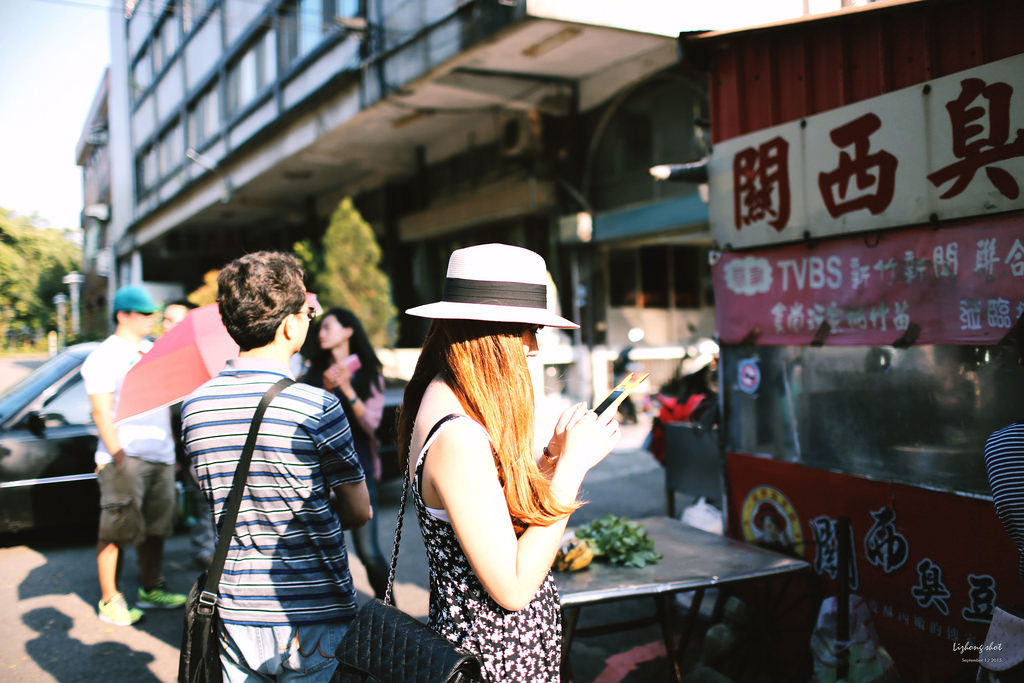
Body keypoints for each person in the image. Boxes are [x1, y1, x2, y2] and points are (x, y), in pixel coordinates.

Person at [397, 243, 621, 682]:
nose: (534, 347)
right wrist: (572, 468)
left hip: (490, 652)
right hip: (493, 662)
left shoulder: (449, 393)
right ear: (493, 334)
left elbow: (491, 506)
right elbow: (514, 588)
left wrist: (552, 459)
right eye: (529, 330)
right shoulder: (458, 434)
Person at [181, 251, 371, 682]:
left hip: (233, 608)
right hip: (313, 609)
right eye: (308, 309)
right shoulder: (318, 406)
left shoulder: (194, 407)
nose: (312, 317)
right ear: (289, 326)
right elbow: (359, 511)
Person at [80, 285, 187, 626]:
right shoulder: (104, 356)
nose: (149, 319)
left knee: (156, 529)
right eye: (142, 314)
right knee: (116, 530)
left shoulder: (152, 350)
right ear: (122, 315)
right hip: (123, 457)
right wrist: (119, 456)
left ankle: (150, 587)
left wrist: (172, 451)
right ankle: (110, 599)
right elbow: (100, 412)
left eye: (150, 313)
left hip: (161, 454)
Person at [303, 307, 390, 599]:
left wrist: (347, 389)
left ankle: (390, 607)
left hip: (361, 472)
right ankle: (338, 613)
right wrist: (324, 391)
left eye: (329, 327)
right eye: (321, 329)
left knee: (368, 552)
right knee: (327, 552)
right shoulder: (312, 375)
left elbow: (372, 424)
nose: (322, 333)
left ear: (349, 331)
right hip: (320, 475)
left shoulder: (368, 372)